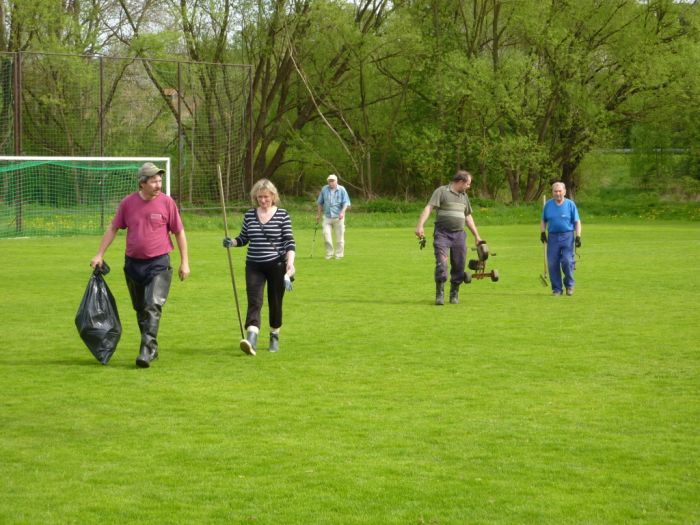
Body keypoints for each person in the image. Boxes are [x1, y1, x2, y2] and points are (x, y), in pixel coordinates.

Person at [90, 162, 190, 368]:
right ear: (142, 183)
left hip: (159, 263)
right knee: (140, 309)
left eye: (160, 180)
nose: (158, 184)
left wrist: (184, 262)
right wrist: (99, 254)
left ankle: (145, 350)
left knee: (153, 305)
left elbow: (179, 232)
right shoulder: (128, 203)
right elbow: (113, 228)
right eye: (154, 181)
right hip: (133, 265)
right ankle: (151, 347)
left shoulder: (167, 203)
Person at [223, 179, 296, 355]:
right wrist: (232, 242)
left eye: (266, 197)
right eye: (260, 197)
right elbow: (244, 238)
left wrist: (290, 263)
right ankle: (252, 338)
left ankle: (274, 335)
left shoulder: (282, 215)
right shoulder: (249, 215)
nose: (263, 200)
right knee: (254, 301)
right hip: (254, 265)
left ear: (273, 196)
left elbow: (289, 242)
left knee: (275, 302)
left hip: (277, 265)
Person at [415, 170, 482, 305]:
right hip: (442, 234)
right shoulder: (441, 191)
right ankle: (440, 294)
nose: (469, 186)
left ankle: (454, 293)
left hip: (459, 235)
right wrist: (420, 225)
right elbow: (429, 208)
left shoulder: (464, 197)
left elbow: (468, 217)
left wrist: (477, 235)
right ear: (461, 182)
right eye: (468, 184)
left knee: (459, 265)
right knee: (442, 264)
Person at [540, 181, 582, 296]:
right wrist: (543, 232)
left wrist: (578, 236)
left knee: (567, 261)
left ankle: (569, 286)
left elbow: (577, 222)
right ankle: (557, 289)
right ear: (552, 192)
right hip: (552, 237)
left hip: (567, 236)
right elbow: (543, 220)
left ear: (564, 192)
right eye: (555, 191)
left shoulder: (570, 204)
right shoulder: (548, 205)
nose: (558, 193)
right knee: (553, 263)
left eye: (560, 191)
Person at [316, 174, 351, 259]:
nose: (331, 183)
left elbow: (346, 203)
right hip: (327, 217)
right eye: (329, 181)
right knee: (326, 234)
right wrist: (318, 215)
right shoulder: (324, 189)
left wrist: (342, 212)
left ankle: (339, 254)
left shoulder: (342, 189)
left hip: (338, 217)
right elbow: (320, 203)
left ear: (336, 181)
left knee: (340, 238)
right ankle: (329, 253)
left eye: (332, 181)